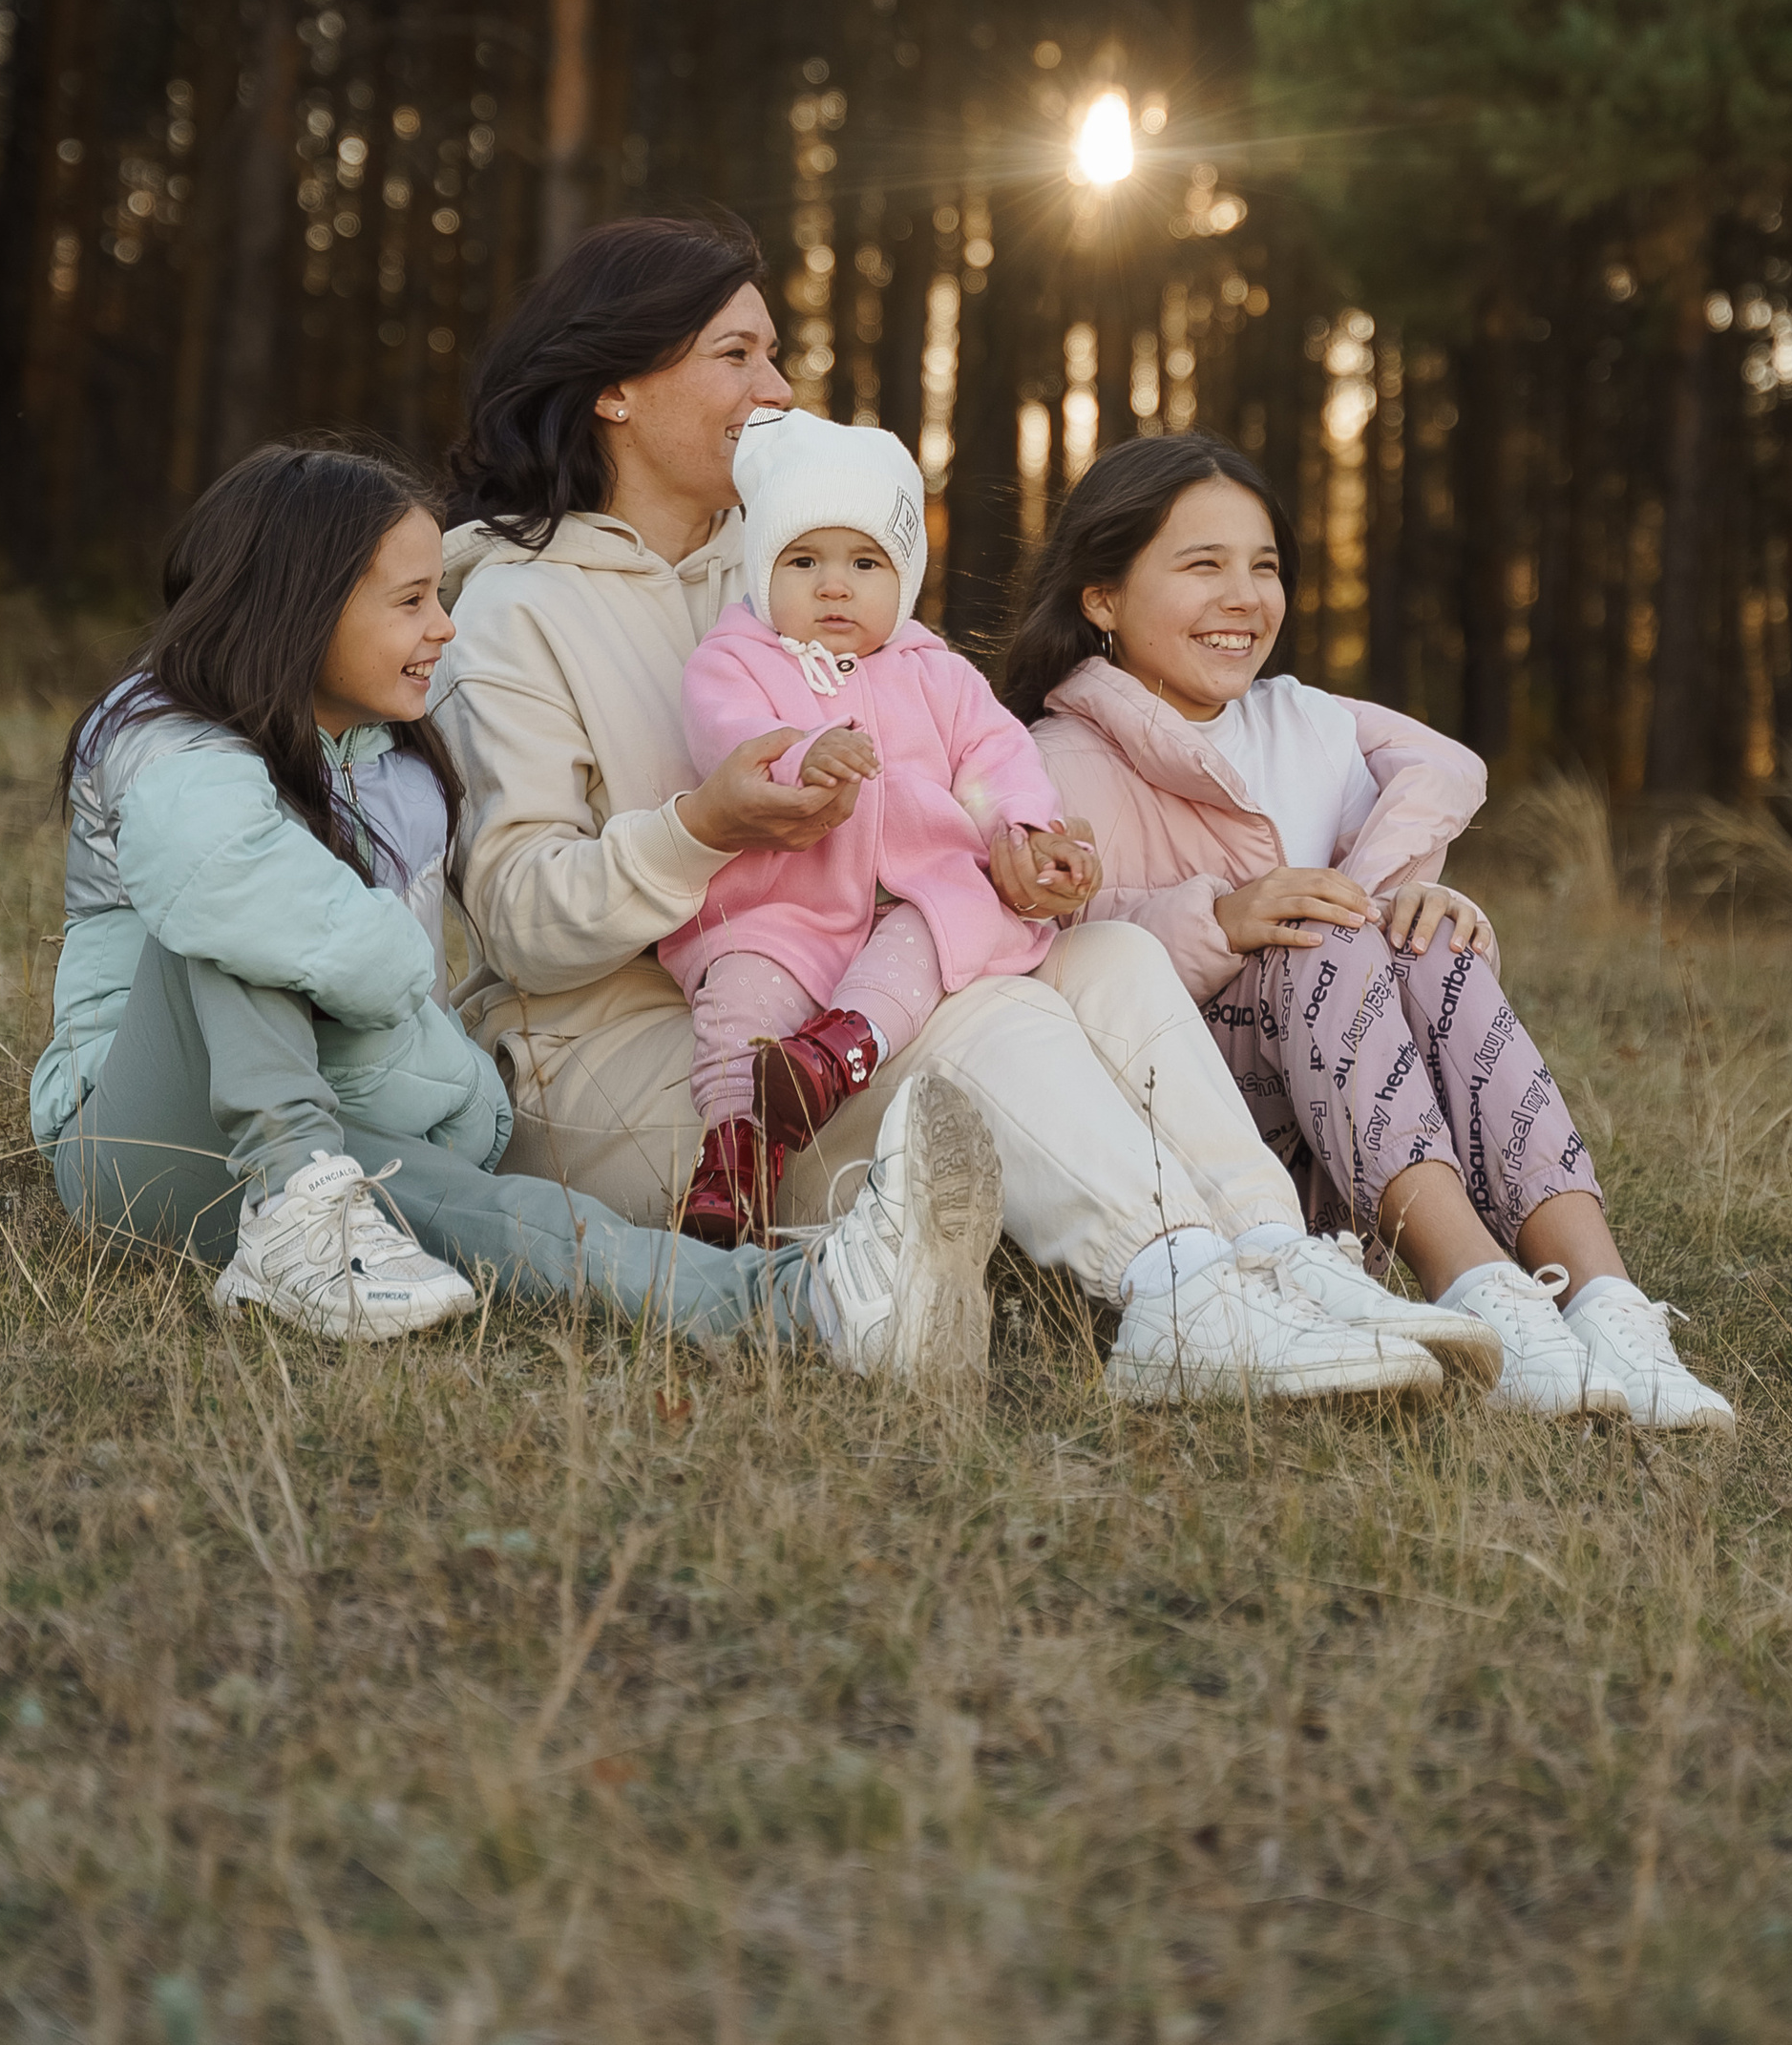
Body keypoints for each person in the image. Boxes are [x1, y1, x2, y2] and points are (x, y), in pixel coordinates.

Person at [430, 215, 1489, 1405]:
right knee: (989, 1020)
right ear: (614, 387)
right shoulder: (513, 612)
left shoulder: (805, 557)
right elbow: (518, 924)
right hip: (630, 1071)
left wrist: (1018, 847)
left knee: (1108, 959)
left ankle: (1269, 1258)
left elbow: (955, 750)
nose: (776, 390)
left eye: (774, 354)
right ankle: (1173, 1299)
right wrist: (705, 826)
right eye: (737, 356)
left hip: (841, 1001)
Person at [33, 439, 1005, 1385]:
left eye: (440, 600)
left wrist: (448, 1094)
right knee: (239, 904)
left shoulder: (382, 757)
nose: (444, 629)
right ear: (303, 606)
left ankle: (824, 1305)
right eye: (411, 601)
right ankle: (295, 1204)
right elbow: (235, 884)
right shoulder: (161, 734)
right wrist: (393, 979)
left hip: (329, 1131)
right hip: (142, 1141)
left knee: (512, 1218)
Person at [1004, 434, 1737, 1430]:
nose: (1243, 596)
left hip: (1354, 1143)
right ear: (1101, 598)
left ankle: (1604, 1305)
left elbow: (1429, 780)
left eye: (1263, 567)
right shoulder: (1059, 762)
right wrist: (1218, 920)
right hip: (1206, 1152)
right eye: (1201, 565)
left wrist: (1407, 904)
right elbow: (1052, 983)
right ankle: (1475, 1290)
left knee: (1426, 938)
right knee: (1327, 937)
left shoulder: (1302, 725)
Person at [660, 409, 1094, 1242]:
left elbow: (998, 758)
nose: (833, 585)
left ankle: (835, 1054)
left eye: (865, 562)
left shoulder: (938, 671)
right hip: (784, 901)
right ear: (762, 569)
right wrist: (801, 759)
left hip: (913, 899)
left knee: (941, 931)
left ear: (904, 575)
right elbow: (731, 738)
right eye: (803, 560)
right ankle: (735, 1154)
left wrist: (1026, 828)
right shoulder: (734, 657)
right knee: (739, 990)